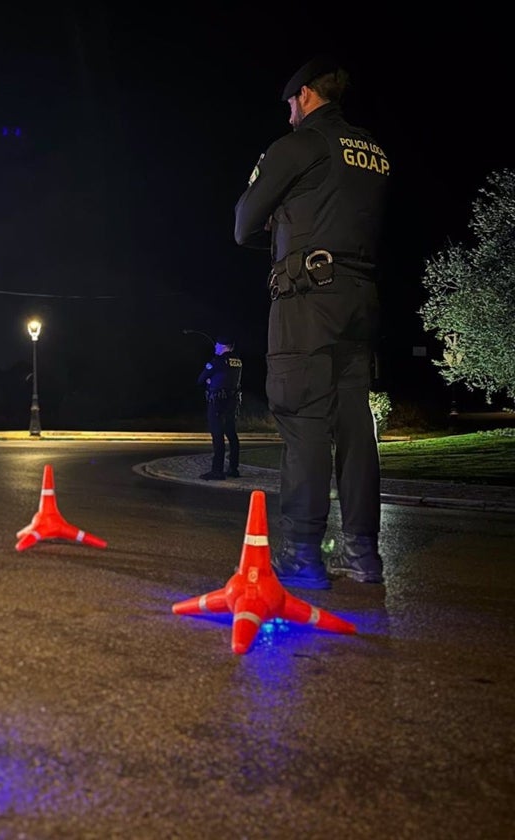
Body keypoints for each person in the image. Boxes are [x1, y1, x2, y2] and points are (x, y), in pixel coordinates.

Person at [234, 57, 391, 589]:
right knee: (354, 427)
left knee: (302, 420)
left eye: (290, 105)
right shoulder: (372, 153)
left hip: (307, 301)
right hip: (360, 301)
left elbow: (242, 223)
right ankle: (364, 555)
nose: (288, 116)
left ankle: (303, 554)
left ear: (304, 95)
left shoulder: (299, 147)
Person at [196, 335, 242, 481]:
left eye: (217, 345)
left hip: (217, 402)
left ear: (223, 346)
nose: (215, 347)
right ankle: (233, 468)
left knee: (217, 435)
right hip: (232, 402)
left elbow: (201, 379)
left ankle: (217, 471)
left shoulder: (217, 362)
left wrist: (210, 380)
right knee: (231, 433)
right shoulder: (237, 361)